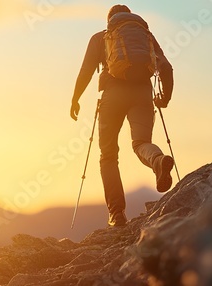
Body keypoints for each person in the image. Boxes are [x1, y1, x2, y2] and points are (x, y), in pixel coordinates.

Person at [69, 4, 175, 227]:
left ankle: (117, 214)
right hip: (143, 93)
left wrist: (75, 99)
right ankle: (158, 161)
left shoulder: (102, 37)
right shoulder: (146, 37)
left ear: (110, 20)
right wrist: (164, 98)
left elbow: (86, 71)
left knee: (108, 155)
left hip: (113, 95)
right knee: (141, 143)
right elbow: (166, 68)